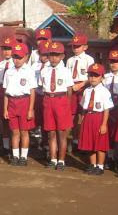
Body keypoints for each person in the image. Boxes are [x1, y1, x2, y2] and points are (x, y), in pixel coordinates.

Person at [40, 42, 73, 170]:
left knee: (61, 133)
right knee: (51, 132)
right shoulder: (44, 71)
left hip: (61, 100)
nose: (53, 58)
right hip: (48, 99)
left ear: (62, 56)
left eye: (56, 55)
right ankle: (53, 159)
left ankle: (61, 160)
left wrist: (66, 105)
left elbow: (69, 90)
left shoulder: (65, 71)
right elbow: (42, 87)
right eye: (51, 55)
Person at [3, 42, 37, 166]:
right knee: (15, 132)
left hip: (24, 102)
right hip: (12, 102)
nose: (17, 60)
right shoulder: (9, 72)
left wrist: (30, 109)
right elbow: (6, 92)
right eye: (15, 57)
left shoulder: (29, 71)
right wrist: (5, 109)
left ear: (26, 57)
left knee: (24, 131)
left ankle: (23, 156)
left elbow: (32, 91)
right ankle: (15, 155)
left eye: (20, 57)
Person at [79, 63, 113, 175]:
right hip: (89, 117)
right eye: (91, 75)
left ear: (102, 77)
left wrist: (104, 124)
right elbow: (84, 107)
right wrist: (82, 119)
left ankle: (100, 166)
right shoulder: (86, 91)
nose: (93, 78)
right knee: (90, 144)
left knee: (100, 144)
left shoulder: (104, 91)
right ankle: (93, 165)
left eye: (96, 75)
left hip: (99, 118)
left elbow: (107, 109)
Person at [66, 33, 94, 149]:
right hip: (72, 87)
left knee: (82, 114)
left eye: (78, 46)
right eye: (74, 46)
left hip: (84, 87)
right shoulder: (70, 60)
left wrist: (82, 84)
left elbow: (92, 76)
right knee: (70, 113)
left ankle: (79, 140)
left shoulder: (89, 59)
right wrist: (71, 86)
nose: (75, 49)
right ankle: (69, 140)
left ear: (85, 47)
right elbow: (67, 75)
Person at [103, 50, 118, 169]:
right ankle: (110, 157)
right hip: (108, 108)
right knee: (109, 134)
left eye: (117, 61)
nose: (114, 64)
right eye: (112, 61)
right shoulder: (105, 77)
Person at [0, 36, 16, 157]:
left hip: (13, 95)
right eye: (5, 49)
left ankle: (15, 148)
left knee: (15, 124)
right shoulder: (0, 65)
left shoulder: (17, 63)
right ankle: (6, 147)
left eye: (9, 49)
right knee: (4, 122)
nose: (7, 51)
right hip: (2, 94)